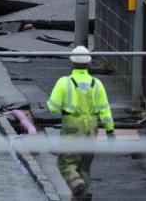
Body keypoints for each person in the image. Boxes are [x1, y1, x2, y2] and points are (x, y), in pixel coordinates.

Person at [47, 46, 114, 201]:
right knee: (84, 167)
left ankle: (78, 186)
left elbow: (52, 107)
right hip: (91, 128)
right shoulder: (97, 84)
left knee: (66, 163)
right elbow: (105, 110)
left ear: (72, 63)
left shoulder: (64, 82)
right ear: (89, 63)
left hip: (72, 127)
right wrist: (110, 132)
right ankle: (84, 194)